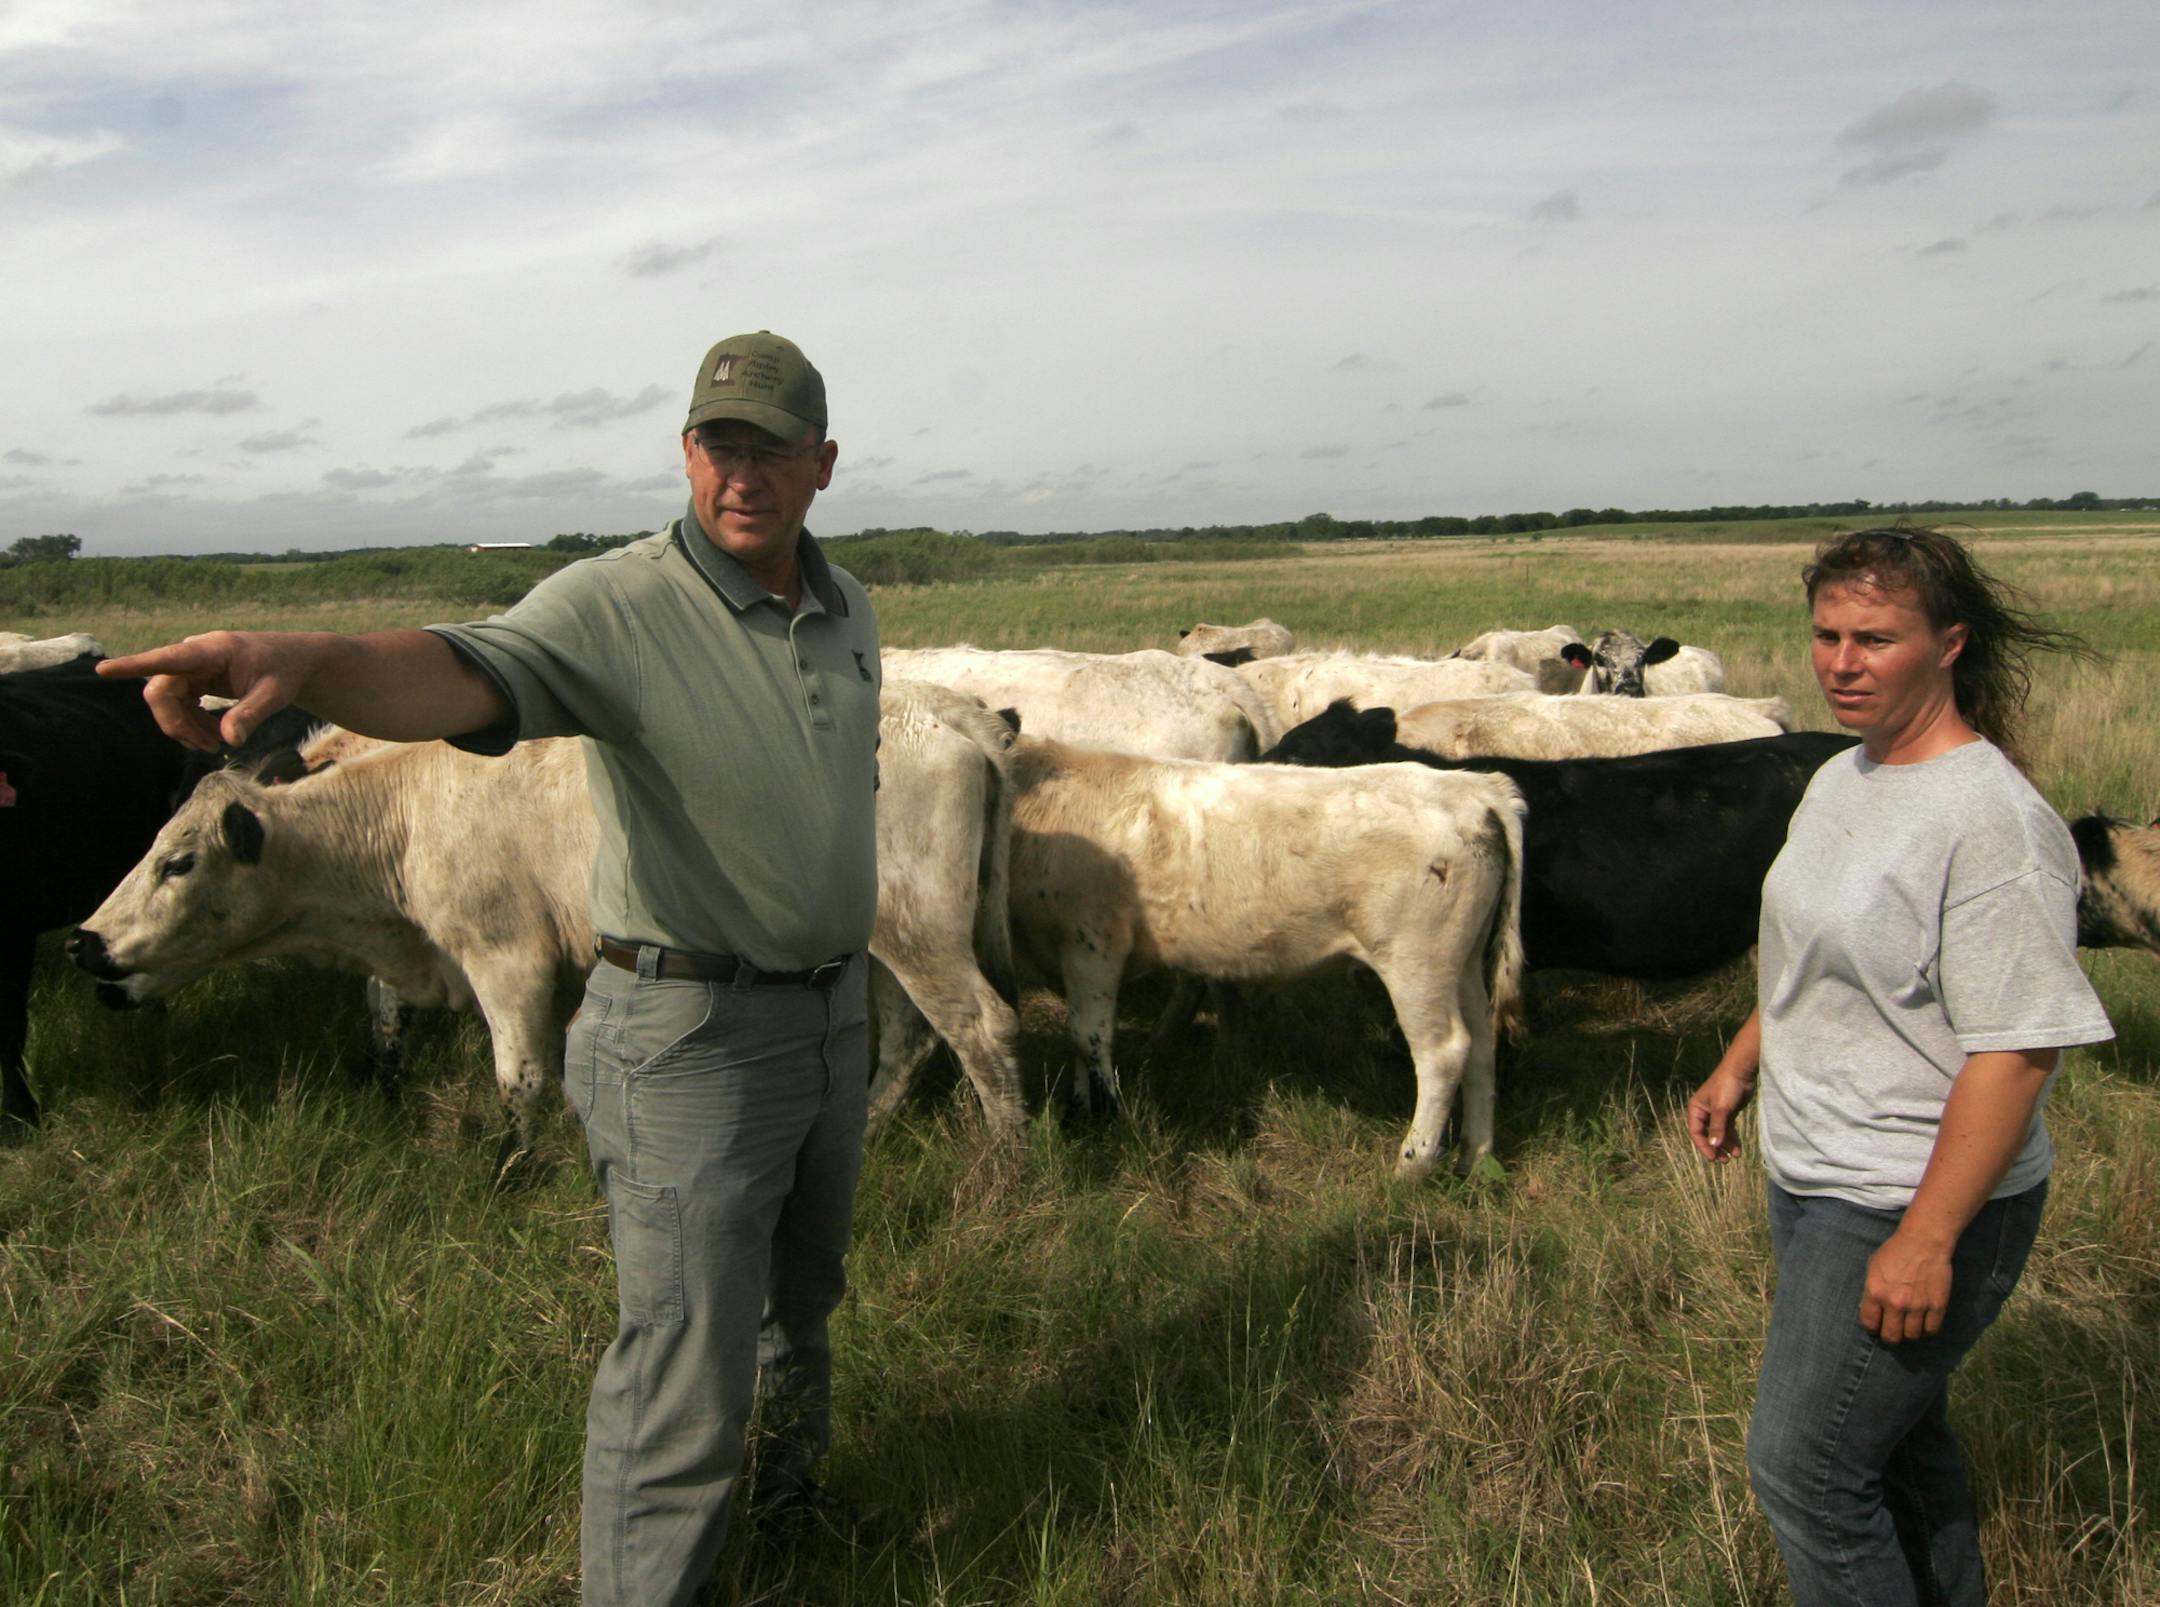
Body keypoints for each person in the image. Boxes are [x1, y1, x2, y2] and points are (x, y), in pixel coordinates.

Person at [99, 331, 883, 1606]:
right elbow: (463, 666)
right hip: (691, 1030)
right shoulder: (617, 602)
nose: (746, 474)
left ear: (824, 464)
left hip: (829, 1014)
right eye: (721, 445)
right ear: (689, 454)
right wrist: (311, 657)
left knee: (804, 1295)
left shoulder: (849, 611)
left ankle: (790, 1505)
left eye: (775, 448)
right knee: (679, 1366)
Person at [1686, 526, 2110, 1606]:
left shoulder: (1993, 823)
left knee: (1807, 1469)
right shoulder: (1842, 776)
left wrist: (1926, 1240)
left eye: (1875, 637)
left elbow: (2017, 1050)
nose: (1841, 660)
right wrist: (1742, 1060)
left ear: (1950, 644)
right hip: (1816, 1167)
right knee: (1897, 1449)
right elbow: (1819, 953)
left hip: (1909, 1194)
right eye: (1827, 633)